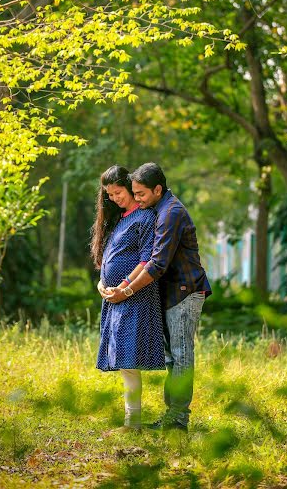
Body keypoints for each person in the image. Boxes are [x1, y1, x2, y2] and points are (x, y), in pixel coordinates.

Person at [105, 162, 211, 432]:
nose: (136, 198)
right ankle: (172, 416)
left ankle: (178, 420)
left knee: (181, 355)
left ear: (157, 189)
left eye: (140, 194)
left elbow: (156, 264)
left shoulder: (170, 213)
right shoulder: (159, 209)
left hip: (185, 292)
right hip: (172, 293)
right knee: (172, 358)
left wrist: (126, 290)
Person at [90, 165, 165, 432]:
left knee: (129, 360)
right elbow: (109, 258)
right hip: (115, 298)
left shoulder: (145, 218)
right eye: (109, 194)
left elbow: (147, 259)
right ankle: (130, 421)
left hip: (134, 296)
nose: (114, 198)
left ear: (130, 187)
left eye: (118, 192)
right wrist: (102, 283)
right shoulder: (121, 219)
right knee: (123, 362)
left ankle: (132, 423)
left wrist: (123, 285)